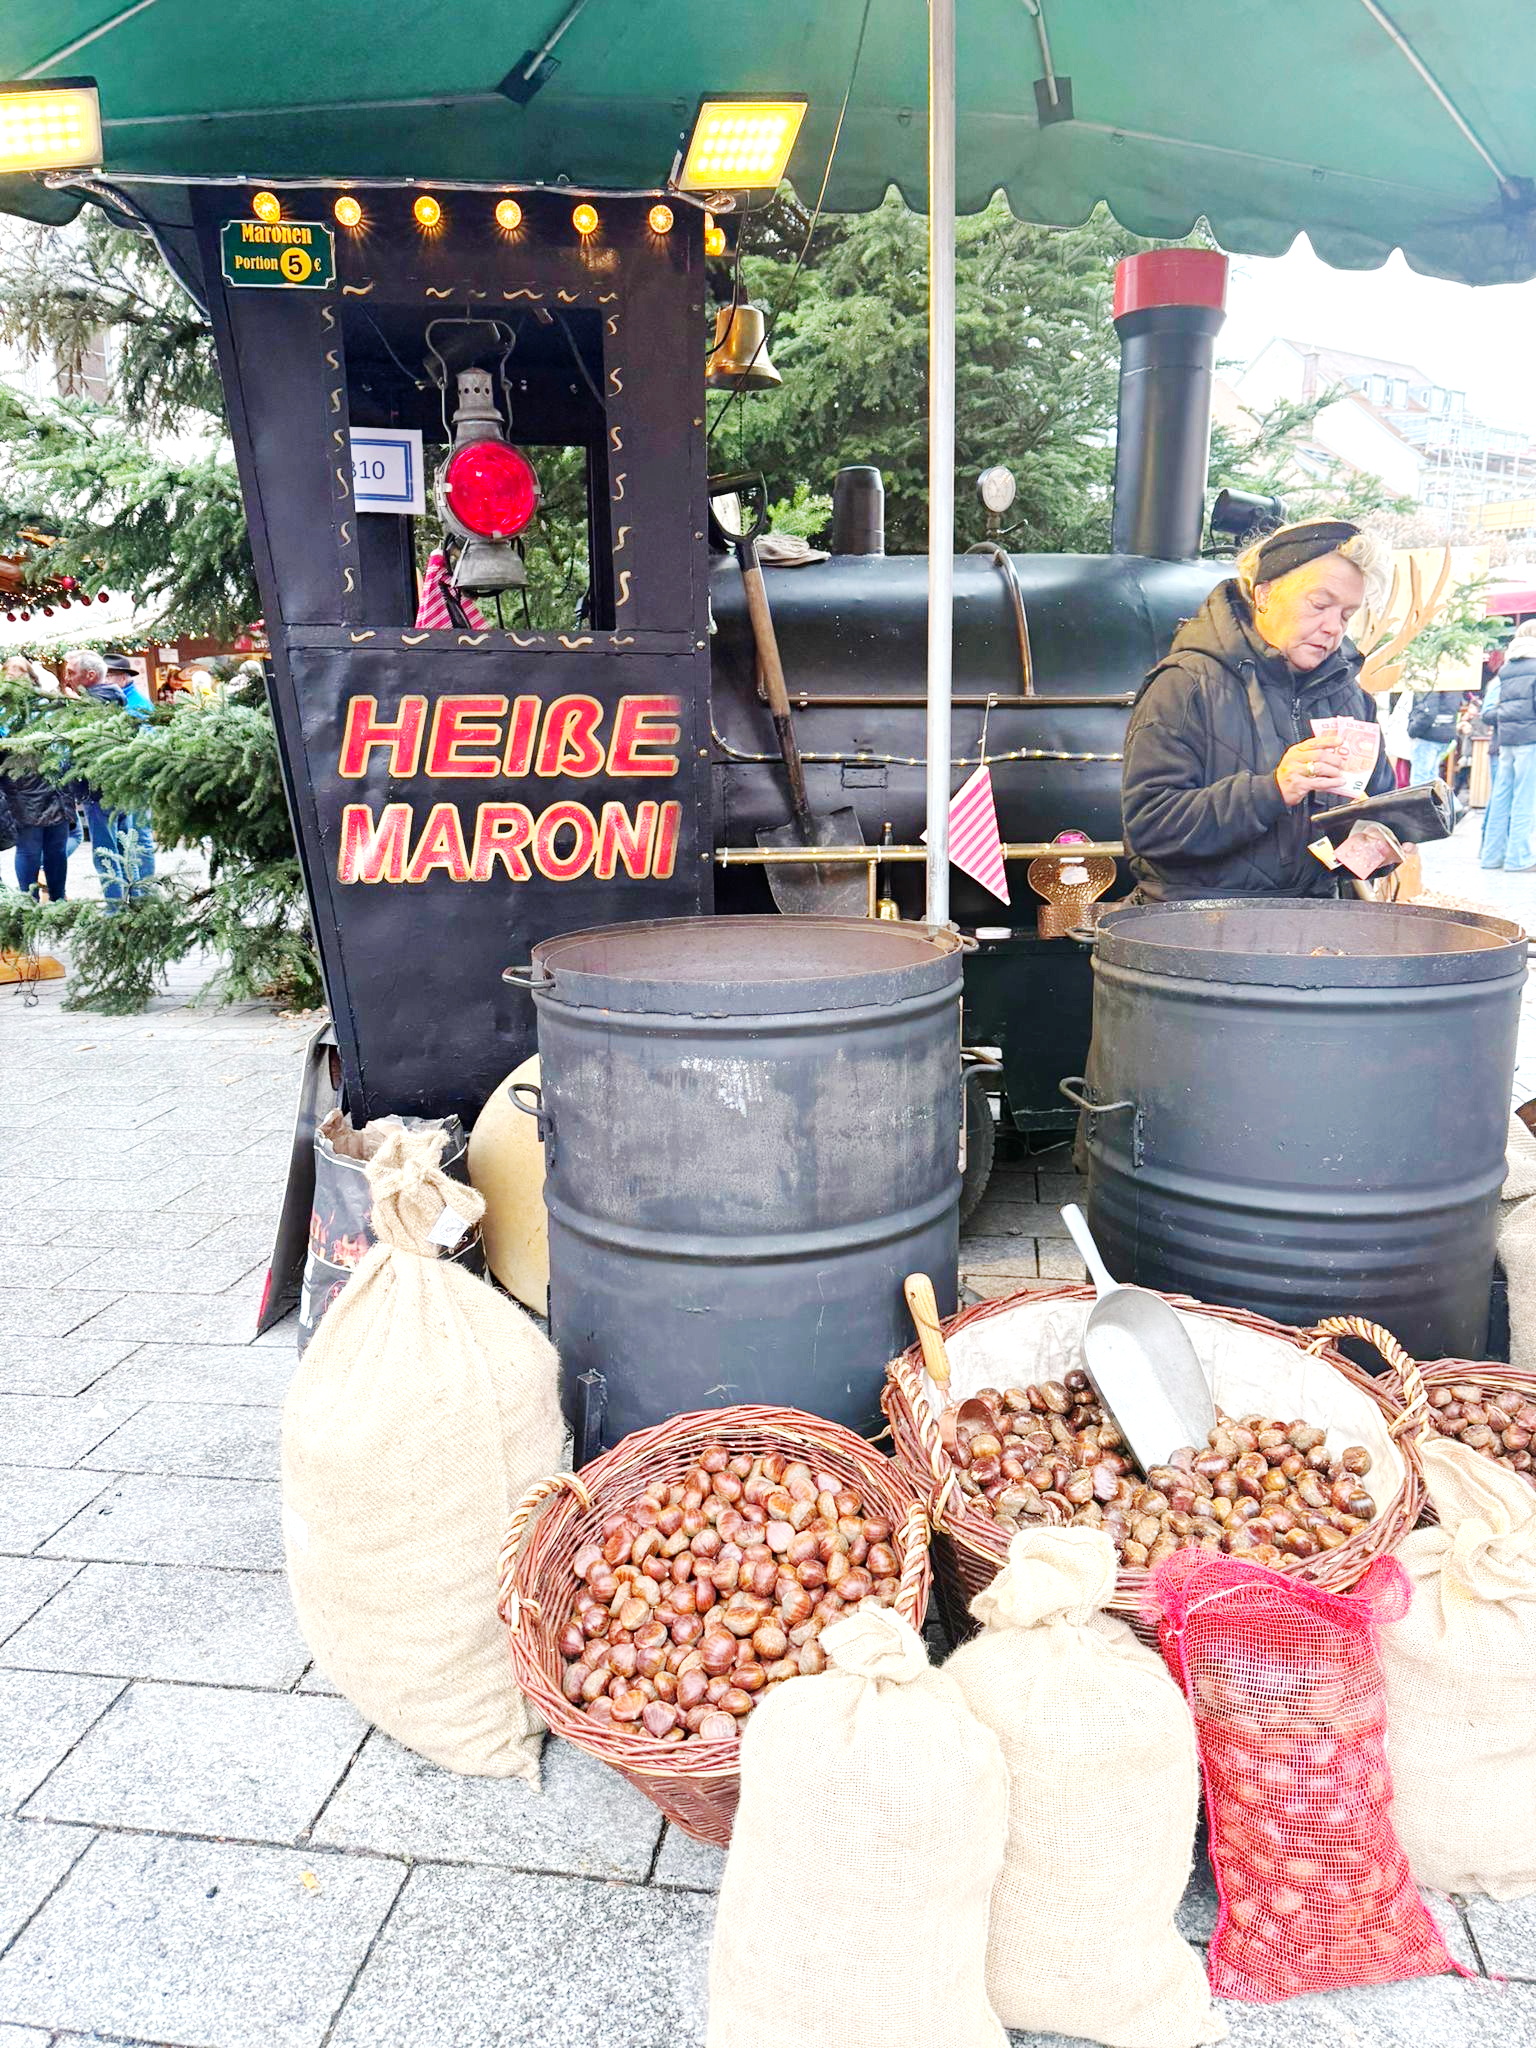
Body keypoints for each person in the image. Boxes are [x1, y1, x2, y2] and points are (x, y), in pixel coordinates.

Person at [1121, 518, 1395, 900]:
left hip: (1314, 921)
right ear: (1264, 594)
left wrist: (1382, 846)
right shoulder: (1185, 684)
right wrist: (1273, 790)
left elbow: (1379, 809)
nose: (1333, 627)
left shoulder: (1350, 696)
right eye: (1319, 605)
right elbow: (1151, 828)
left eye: (1346, 614)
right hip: (1197, 921)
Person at [59, 647, 156, 909]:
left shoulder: (91, 707)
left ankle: (115, 906)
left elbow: (79, 750)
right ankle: (136, 899)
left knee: (106, 851)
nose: (67, 678)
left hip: (98, 790)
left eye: (72, 672)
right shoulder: (117, 700)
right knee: (127, 846)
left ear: (90, 676)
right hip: (120, 786)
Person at [0, 656, 75, 901]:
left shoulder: (47, 704)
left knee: (51, 848)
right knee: (35, 849)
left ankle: (53, 899)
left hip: (51, 786)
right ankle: (33, 901)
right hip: (26, 788)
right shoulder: (6, 710)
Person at [1480, 621, 1536, 872]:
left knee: (1501, 797)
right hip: (1530, 738)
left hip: (1507, 739)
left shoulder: (1508, 667)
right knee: (1525, 799)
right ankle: (1518, 858)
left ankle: (1491, 856)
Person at [1405, 681, 1463, 787]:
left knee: (1420, 781)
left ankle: (1423, 798)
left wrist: (1412, 730)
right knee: (1432, 778)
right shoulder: (1454, 682)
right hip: (1445, 733)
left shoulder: (1432, 681)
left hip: (1427, 735)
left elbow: (1428, 712)